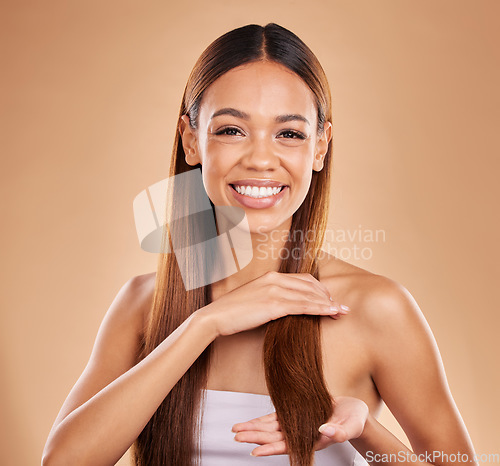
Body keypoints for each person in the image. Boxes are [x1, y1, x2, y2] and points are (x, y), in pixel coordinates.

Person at [42, 23, 478, 466]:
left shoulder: (375, 308)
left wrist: (364, 431)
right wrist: (204, 325)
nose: (260, 159)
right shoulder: (144, 305)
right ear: (191, 140)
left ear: (321, 146)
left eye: (289, 133)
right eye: (232, 130)